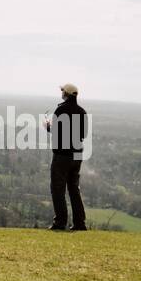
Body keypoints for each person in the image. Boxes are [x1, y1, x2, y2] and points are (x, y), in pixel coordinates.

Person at [46, 82, 89, 231]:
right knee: (73, 189)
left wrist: (48, 127)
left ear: (66, 94)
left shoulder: (61, 109)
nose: (61, 93)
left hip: (62, 156)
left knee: (58, 189)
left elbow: (57, 132)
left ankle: (60, 222)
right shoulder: (82, 112)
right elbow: (83, 134)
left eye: (62, 91)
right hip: (77, 155)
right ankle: (80, 223)